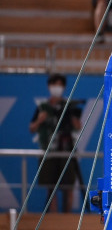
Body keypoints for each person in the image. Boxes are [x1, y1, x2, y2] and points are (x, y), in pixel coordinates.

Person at [29, 73, 84, 213]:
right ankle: (54, 219)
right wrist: (40, 120)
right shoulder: (43, 107)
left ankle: (67, 219)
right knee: (51, 187)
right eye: (54, 84)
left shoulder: (69, 106)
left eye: (60, 85)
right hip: (49, 152)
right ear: (49, 86)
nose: (57, 88)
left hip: (66, 151)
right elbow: (32, 128)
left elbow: (78, 127)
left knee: (68, 187)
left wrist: (72, 118)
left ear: (64, 87)